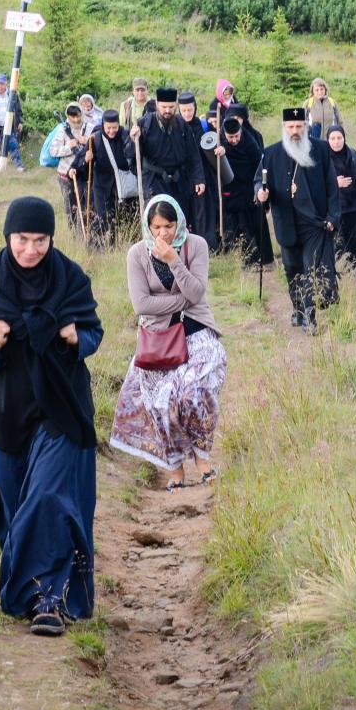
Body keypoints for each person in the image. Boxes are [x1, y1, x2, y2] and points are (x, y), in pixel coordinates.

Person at [0, 197, 102, 637]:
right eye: (23, 239)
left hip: (62, 407)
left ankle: (48, 599)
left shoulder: (71, 279)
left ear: (52, 239)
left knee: (49, 498)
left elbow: (94, 331)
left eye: (41, 240)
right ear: (8, 236)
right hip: (7, 413)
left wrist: (78, 338)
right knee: (12, 503)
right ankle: (25, 583)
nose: (31, 250)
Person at [110, 196, 226, 490]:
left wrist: (174, 261)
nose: (163, 233)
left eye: (169, 226)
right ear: (148, 227)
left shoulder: (195, 245)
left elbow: (197, 294)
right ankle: (175, 470)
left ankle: (202, 458)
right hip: (157, 339)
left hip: (196, 330)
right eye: (157, 227)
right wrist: (180, 301)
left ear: (180, 223)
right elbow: (141, 304)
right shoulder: (137, 254)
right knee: (162, 403)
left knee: (194, 393)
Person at [255, 108, 340, 332]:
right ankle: (298, 309)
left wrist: (333, 216)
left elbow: (332, 185)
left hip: (314, 222)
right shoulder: (271, 153)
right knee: (292, 268)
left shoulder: (320, 149)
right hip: (286, 222)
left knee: (310, 268)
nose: (295, 131)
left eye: (299, 126)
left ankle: (310, 317)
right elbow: (259, 182)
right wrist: (260, 194)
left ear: (305, 126)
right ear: (284, 128)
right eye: (291, 127)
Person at [135, 88, 205, 228]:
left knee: (178, 219)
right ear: (157, 104)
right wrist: (134, 139)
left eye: (171, 107)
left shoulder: (182, 125)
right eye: (164, 107)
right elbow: (133, 155)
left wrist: (199, 179)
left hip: (178, 181)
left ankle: (177, 249)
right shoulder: (145, 124)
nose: (167, 110)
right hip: (154, 181)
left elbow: (193, 154)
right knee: (156, 219)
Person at [217, 108, 273, 269]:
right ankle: (242, 260)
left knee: (254, 223)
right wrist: (221, 152)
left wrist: (258, 189)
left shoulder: (249, 141)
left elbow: (259, 166)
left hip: (249, 187)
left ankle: (265, 260)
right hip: (229, 189)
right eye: (230, 137)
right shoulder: (219, 141)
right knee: (234, 226)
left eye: (236, 136)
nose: (234, 140)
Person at [325, 125, 356, 285]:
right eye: (332, 138)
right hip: (335, 211)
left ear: (344, 138)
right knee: (338, 246)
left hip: (355, 209)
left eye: (339, 138)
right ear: (327, 140)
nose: (336, 142)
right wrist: (334, 183)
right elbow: (317, 186)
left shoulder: (352, 155)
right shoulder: (324, 158)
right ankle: (343, 280)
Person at [85, 109, 138, 247]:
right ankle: (100, 248)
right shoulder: (95, 138)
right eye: (108, 128)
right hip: (102, 185)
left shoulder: (125, 135)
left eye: (114, 127)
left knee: (125, 216)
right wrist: (84, 160)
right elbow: (82, 162)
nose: (111, 131)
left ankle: (123, 245)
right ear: (103, 125)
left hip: (124, 184)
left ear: (118, 125)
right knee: (102, 217)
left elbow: (132, 158)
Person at [178, 92, 220, 246]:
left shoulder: (204, 126)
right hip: (182, 178)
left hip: (203, 176)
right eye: (183, 111)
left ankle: (207, 248)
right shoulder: (175, 126)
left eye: (190, 110)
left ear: (195, 108)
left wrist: (220, 148)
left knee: (203, 215)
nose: (187, 114)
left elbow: (218, 142)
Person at [52, 105, 90, 235]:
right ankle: (73, 236)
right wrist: (68, 147)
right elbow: (53, 151)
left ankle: (84, 235)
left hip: (84, 175)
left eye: (77, 115)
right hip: (65, 175)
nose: (75, 119)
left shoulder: (89, 128)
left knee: (84, 207)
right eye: (71, 116)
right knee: (70, 208)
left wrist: (88, 142)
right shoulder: (62, 130)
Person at [0, 73, 24, 170]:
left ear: (6, 84)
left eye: (2, 84)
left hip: (10, 126)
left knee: (13, 146)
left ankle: (19, 167)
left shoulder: (12, 95)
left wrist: (20, 122)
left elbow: (18, 110)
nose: (0, 86)